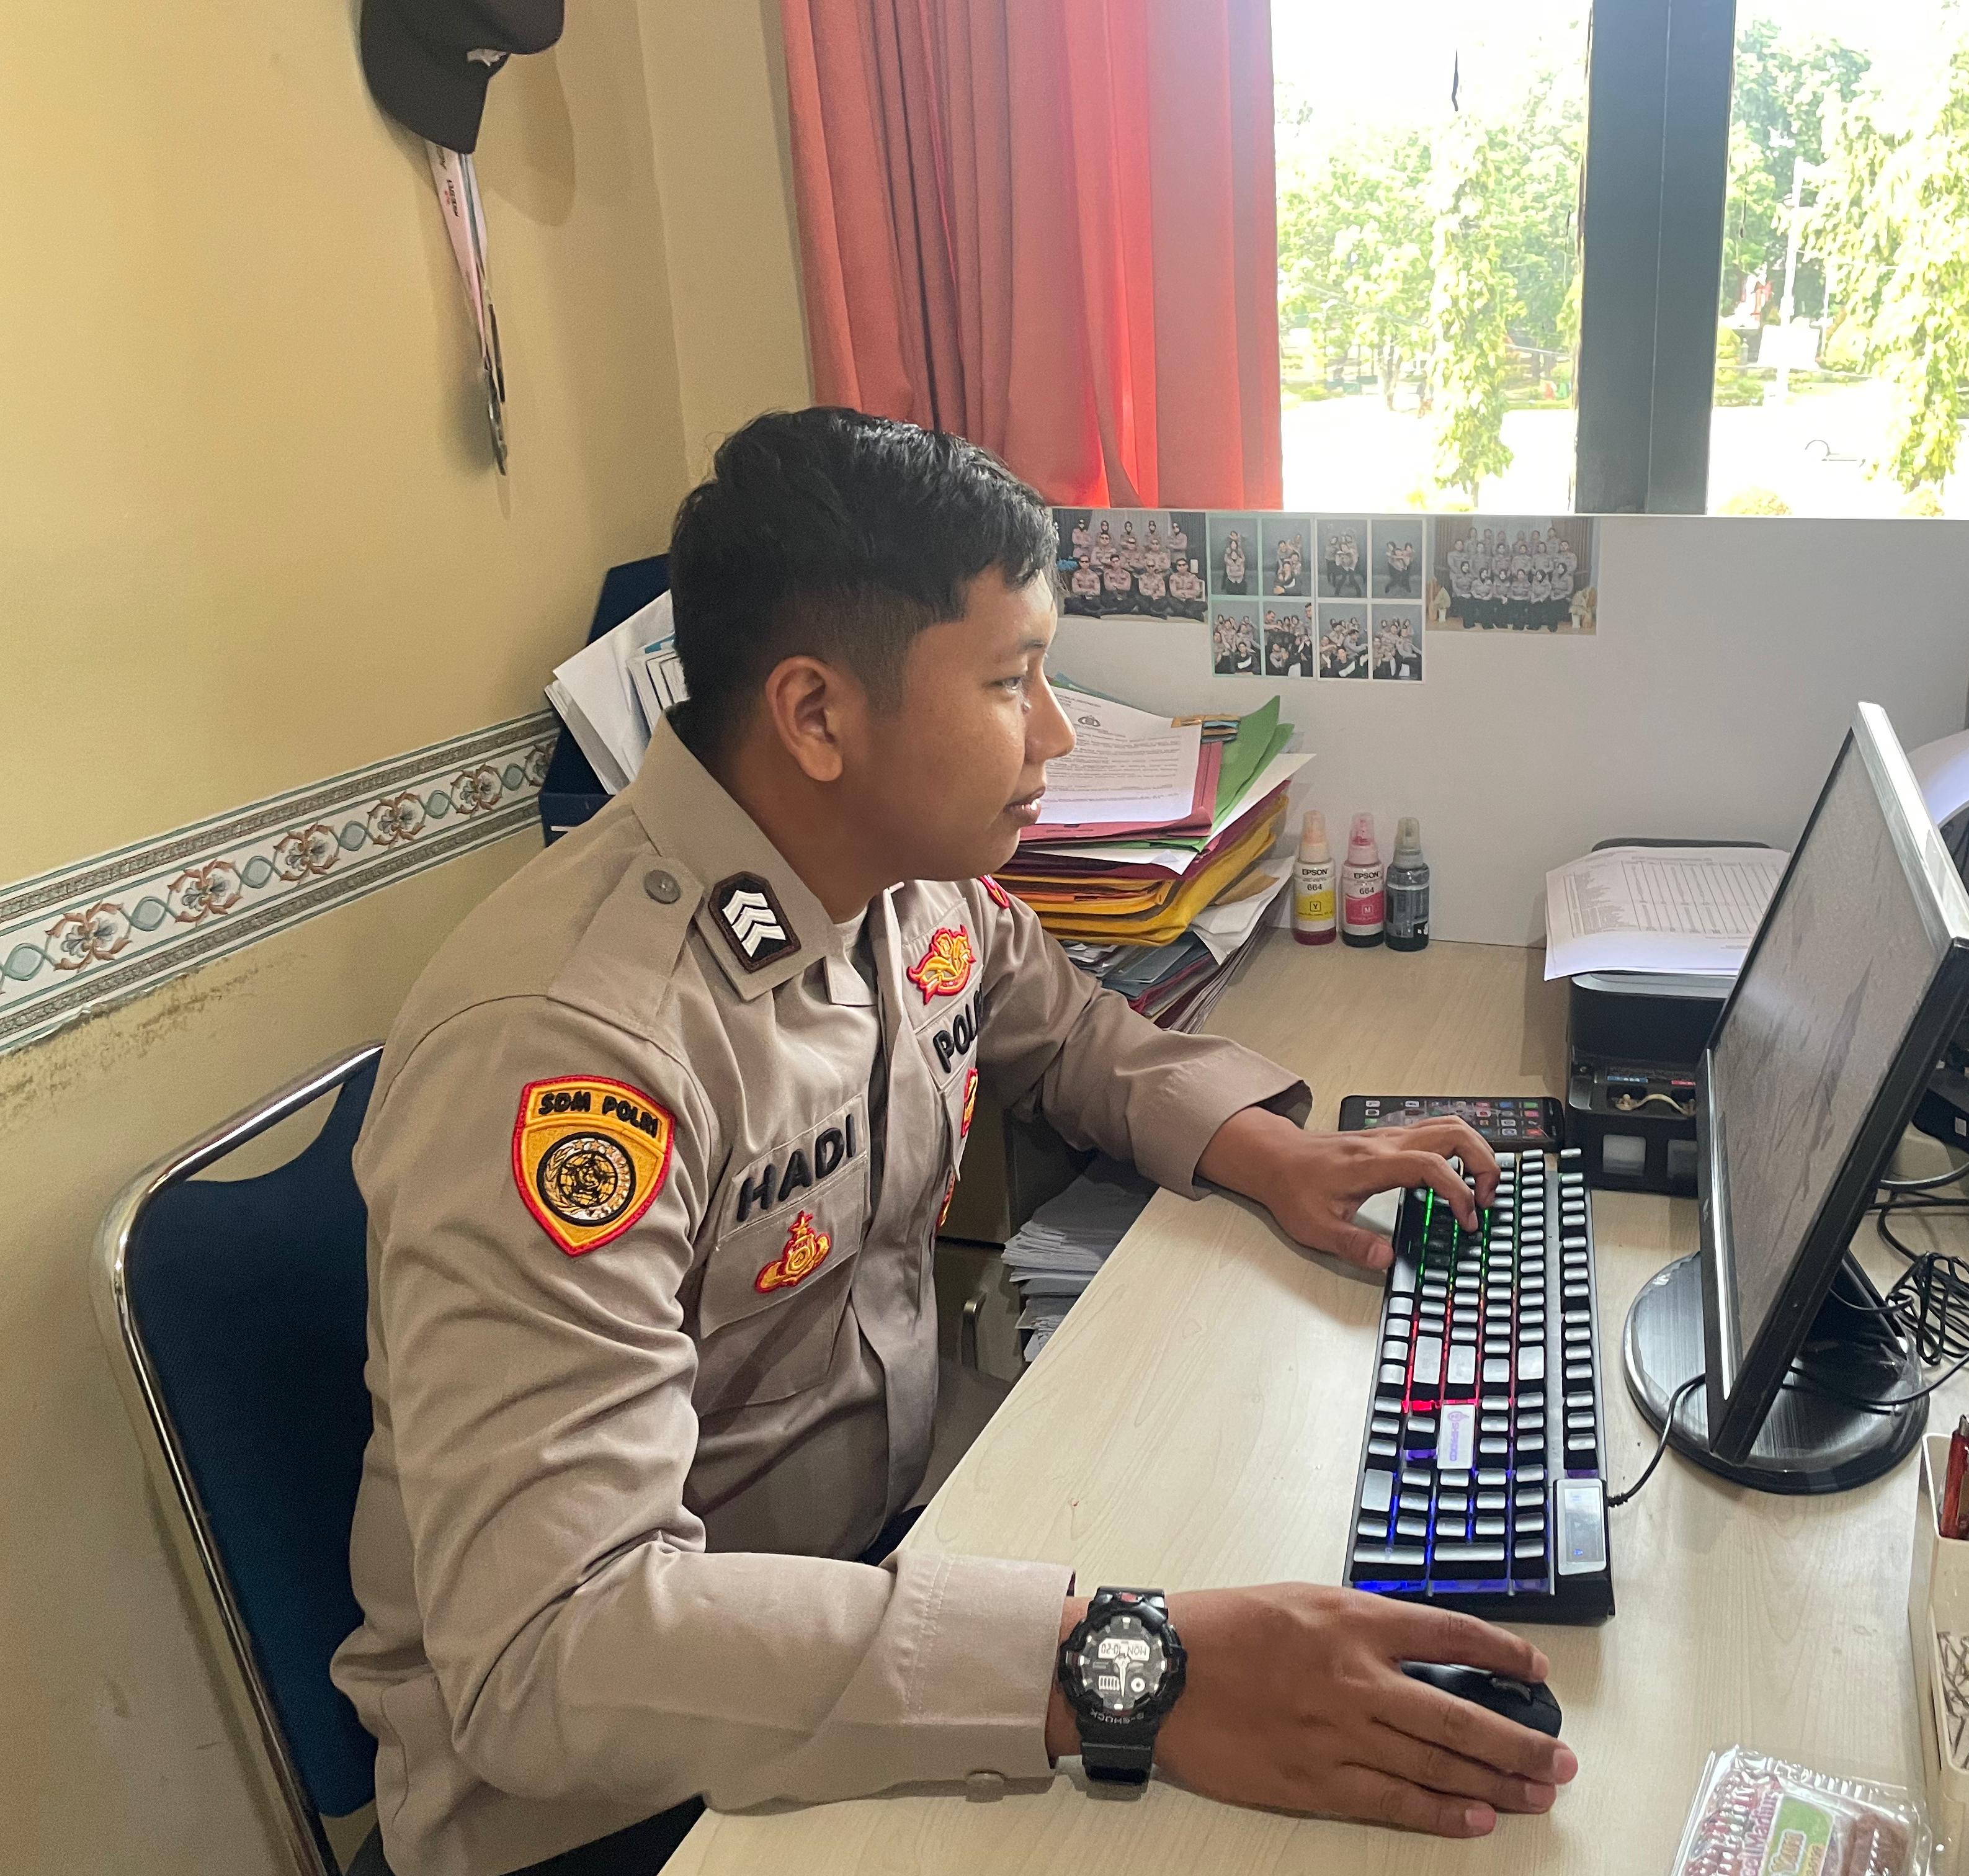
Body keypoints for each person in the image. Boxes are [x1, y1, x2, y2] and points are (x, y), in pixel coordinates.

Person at [335, 409, 1571, 1876]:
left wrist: (1264, 1150)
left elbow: (1068, 1030)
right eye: (1009, 680)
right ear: (816, 717)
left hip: (860, 1578)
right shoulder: (575, 1051)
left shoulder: (900, 883)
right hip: (616, 1785)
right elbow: (551, 1659)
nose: (1056, 733)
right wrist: (1125, 1667)